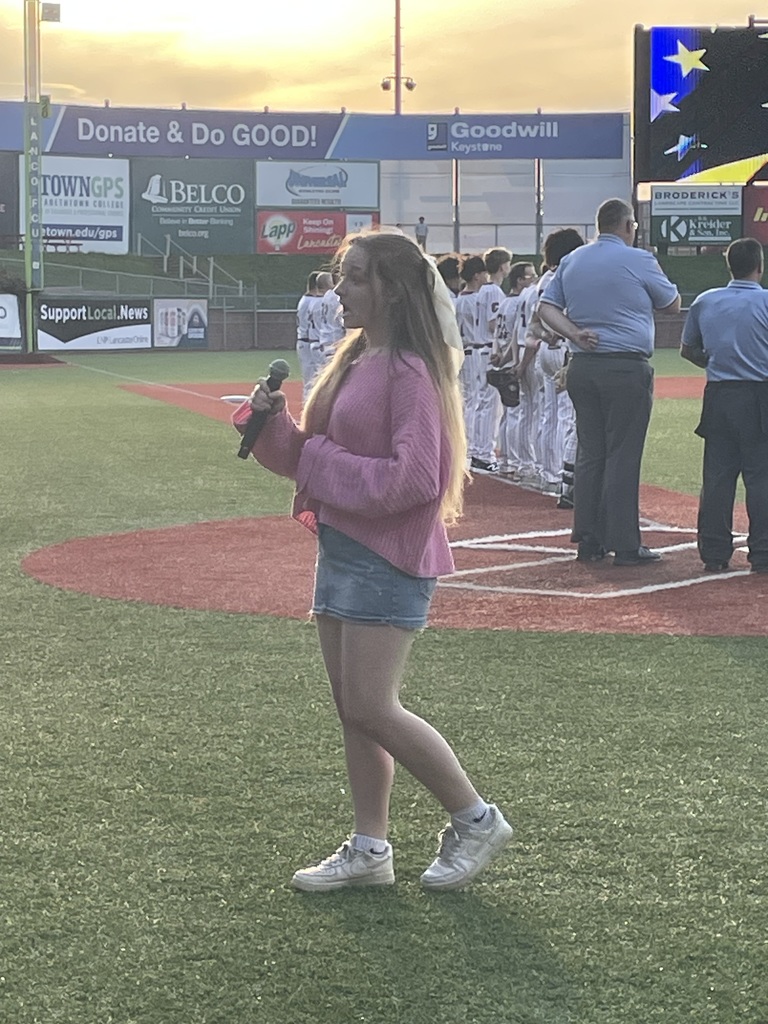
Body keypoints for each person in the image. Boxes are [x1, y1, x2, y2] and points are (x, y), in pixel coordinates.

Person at [233, 229, 513, 891]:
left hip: (388, 558)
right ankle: (369, 848)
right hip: (343, 547)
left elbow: (411, 480)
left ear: (390, 288)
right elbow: (306, 459)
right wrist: (272, 425)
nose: (340, 290)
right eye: (340, 276)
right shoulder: (355, 359)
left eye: (355, 277)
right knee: (352, 706)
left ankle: (475, 819)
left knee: (371, 705)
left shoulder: (411, 370)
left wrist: (315, 457)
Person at [538, 198, 680, 566]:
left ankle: (588, 538)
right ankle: (625, 543)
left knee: (590, 452)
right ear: (628, 225)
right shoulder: (639, 259)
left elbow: (546, 307)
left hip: (583, 366)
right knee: (622, 454)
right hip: (624, 366)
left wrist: (575, 333)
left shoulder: (572, 260)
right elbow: (671, 304)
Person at [680, 236, 768, 574]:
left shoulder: (706, 301)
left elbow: (689, 349)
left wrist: (716, 363)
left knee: (717, 477)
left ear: (728, 265)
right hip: (759, 395)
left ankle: (714, 552)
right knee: (761, 478)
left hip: (719, 393)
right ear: (759, 266)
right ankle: (761, 551)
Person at [296, 271, 321, 400]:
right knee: (312, 381)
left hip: (305, 341)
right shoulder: (313, 301)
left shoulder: (305, 299)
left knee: (310, 380)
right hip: (307, 341)